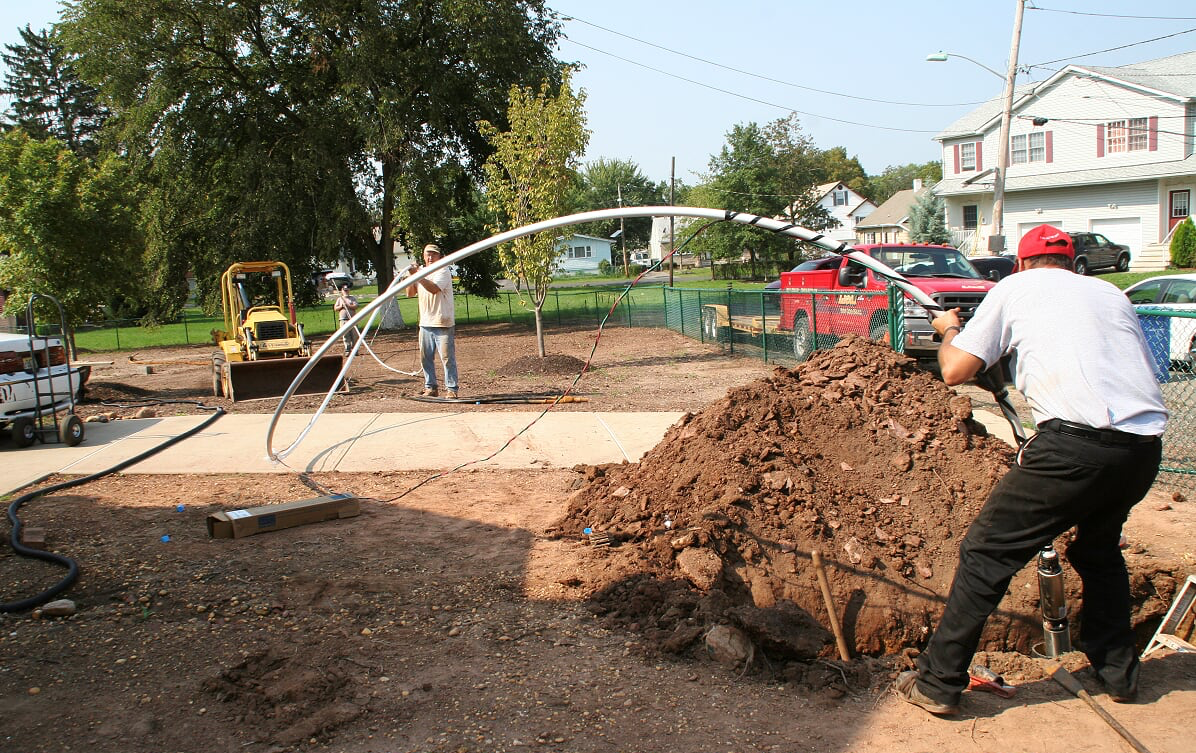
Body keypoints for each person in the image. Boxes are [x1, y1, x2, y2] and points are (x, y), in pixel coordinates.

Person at [895, 224, 1167, 715]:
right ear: (1071, 261)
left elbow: (956, 369)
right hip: (1142, 450)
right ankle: (1119, 672)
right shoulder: (1109, 293)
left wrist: (950, 331)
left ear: (1020, 264)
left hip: (1074, 449)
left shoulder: (1016, 288)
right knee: (1099, 550)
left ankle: (937, 683)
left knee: (985, 551)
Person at [406, 243, 458, 399]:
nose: (430, 257)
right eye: (428, 254)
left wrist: (418, 275)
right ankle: (431, 387)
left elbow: (434, 289)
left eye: (433, 254)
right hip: (425, 322)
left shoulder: (442, 270)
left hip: (442, 321)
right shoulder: (420, 273)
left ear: (439, 256)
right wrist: (411, 276)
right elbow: (409, 293)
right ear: (423, 255)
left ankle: (452, 389)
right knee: (425, 357)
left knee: (447, 357)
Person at [332, 283, 359, 353]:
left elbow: (356, 306)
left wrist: (348, 305)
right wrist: (341, 306)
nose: (346, 291)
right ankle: (347, 349)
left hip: (352, 320)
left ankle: (355, 349)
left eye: (347, 290)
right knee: (345, 335)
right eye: (344, 290)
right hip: (343, 320)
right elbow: (335, 308)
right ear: (342, 291)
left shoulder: (352, 298)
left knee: (354, 335)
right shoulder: (339, 299)